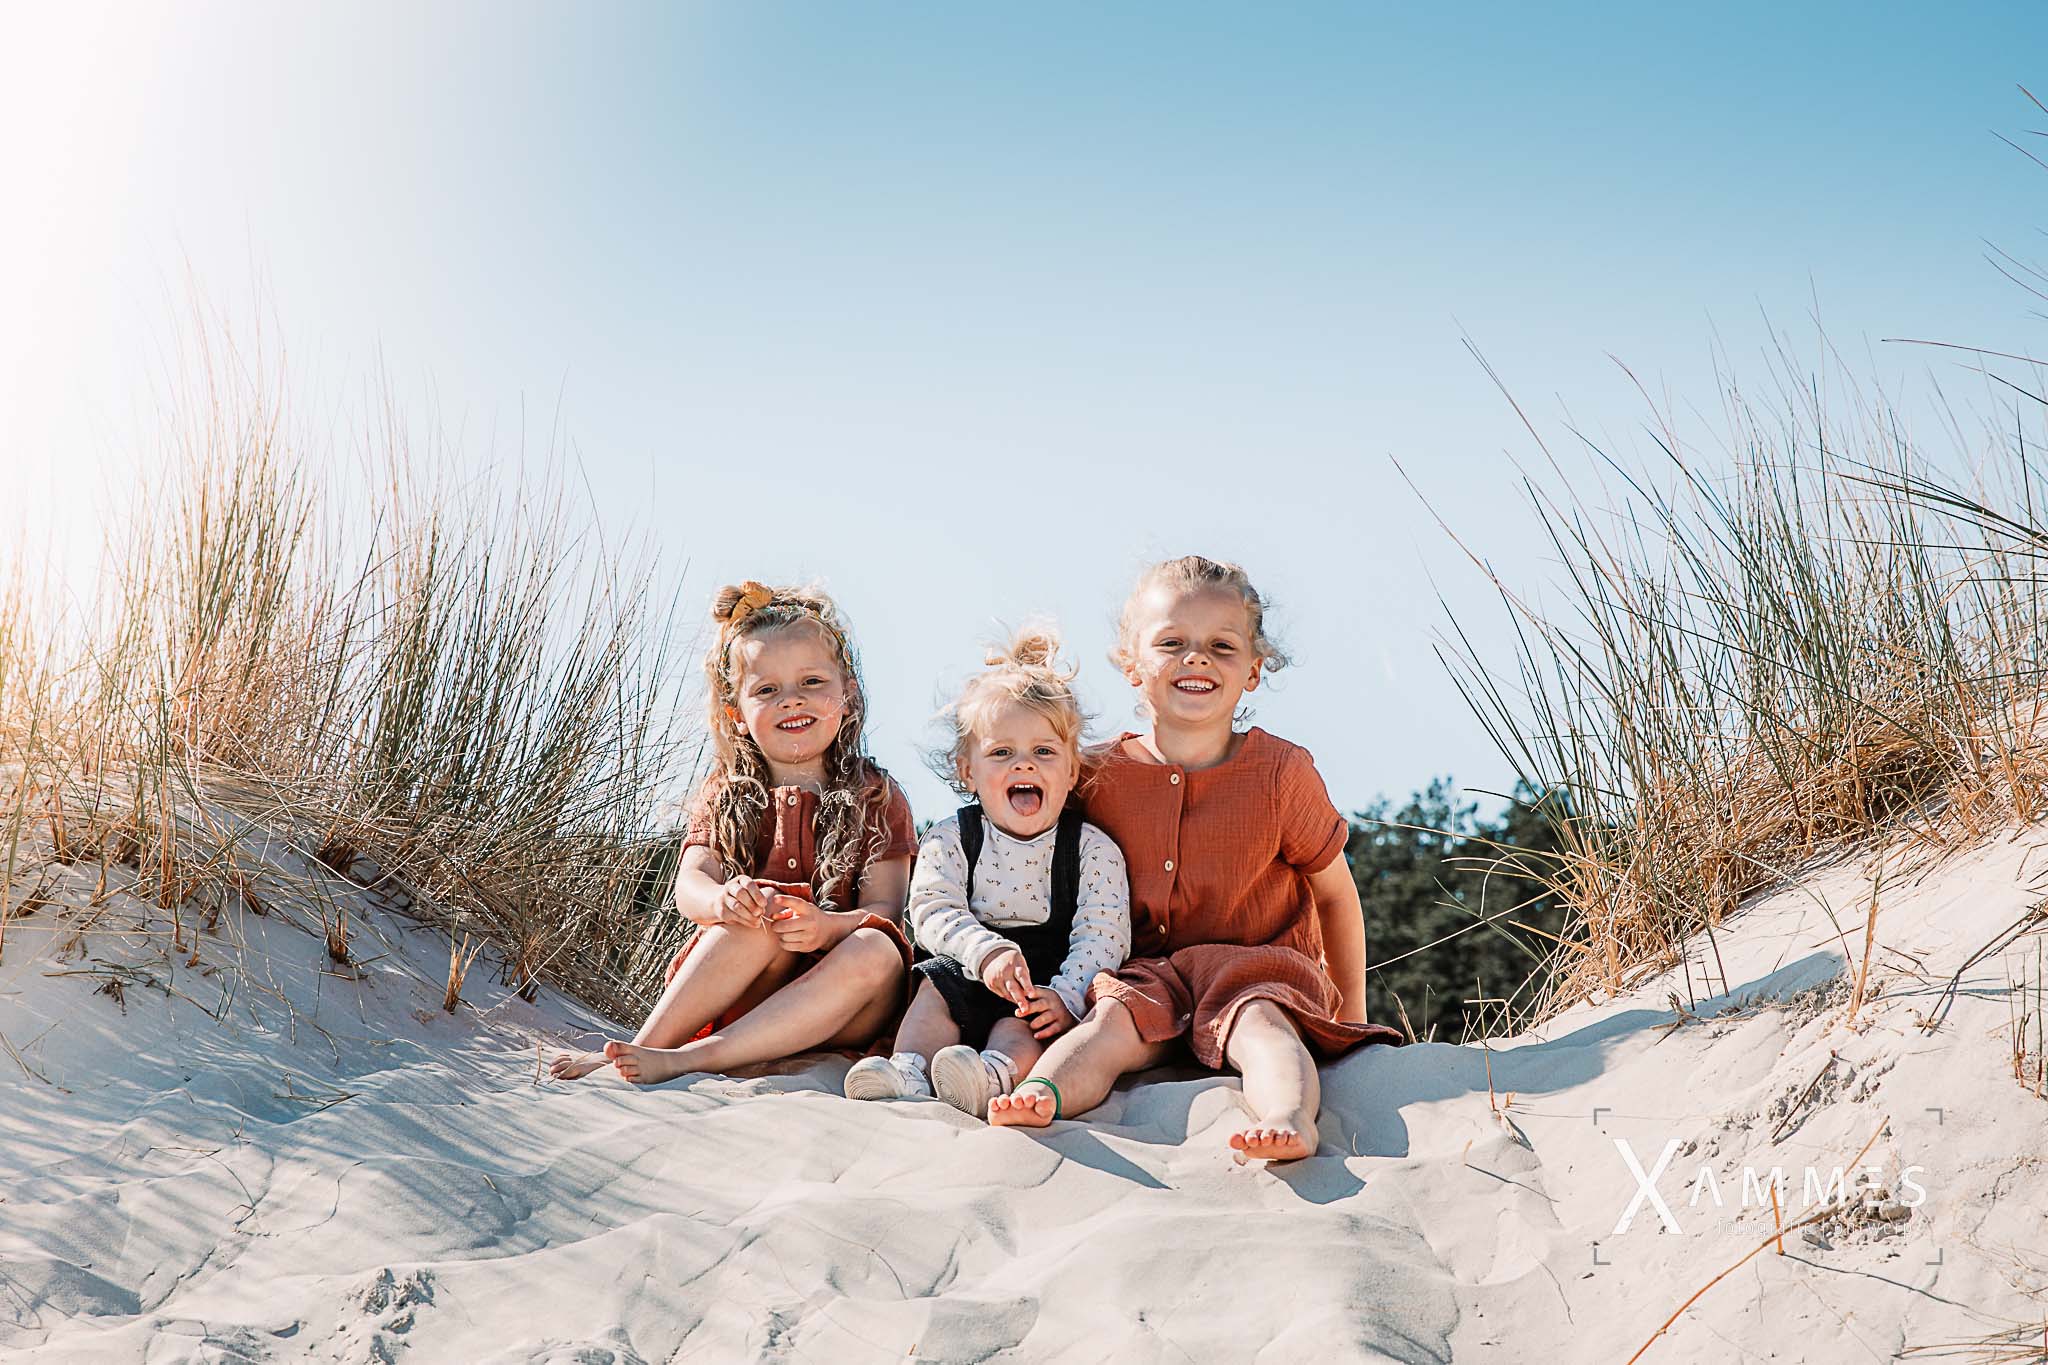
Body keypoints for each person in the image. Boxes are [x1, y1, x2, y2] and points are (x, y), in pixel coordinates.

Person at [988, 556, 1404, 1162]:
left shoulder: (1281, 773)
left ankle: (1289, 1118)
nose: (1197, 658)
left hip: (1258, 973)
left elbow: (1337, 896)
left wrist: (1351, 1021)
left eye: (1221, 645)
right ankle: (1045, 1093)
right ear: (1132, 664)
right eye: (1172, 642)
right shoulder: (1094, 775)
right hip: (1145, 977)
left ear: (1254, 670)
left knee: (1264, 1029)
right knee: (1107, 1024)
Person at [549, 581, 915, 1085]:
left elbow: (886, 911)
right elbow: (690, 886)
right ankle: (649, 1046)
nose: (792, 700)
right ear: (736, 714)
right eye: (767, 690)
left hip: (844, 1004)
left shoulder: (876, 795)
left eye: (811, 682)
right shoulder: (726, 793)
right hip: (745, 995)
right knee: (756, 909)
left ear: (847, 695)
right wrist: (723, 899)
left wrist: (827, 927)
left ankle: (692, 1060)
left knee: (879, 948)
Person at [843, 627, 1130, 1117]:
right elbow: (932, 909)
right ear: (967, 771)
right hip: (968, 963)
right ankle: (909, 1070)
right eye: (1001, 753)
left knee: (1025, 1029)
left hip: (1044, 981)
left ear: (1073, 771)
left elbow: (1103, 935)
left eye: (1044, 752)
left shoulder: (1091, 849)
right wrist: (986, 951)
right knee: (935, 993)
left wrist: (1065, 996)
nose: (1024, 765)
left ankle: (990, 1075)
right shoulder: (952, 838)